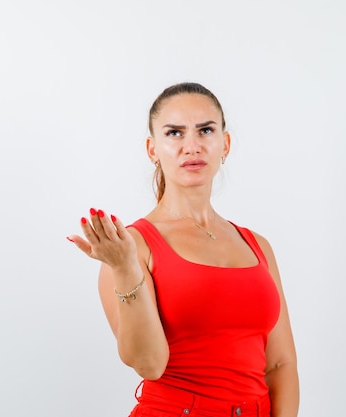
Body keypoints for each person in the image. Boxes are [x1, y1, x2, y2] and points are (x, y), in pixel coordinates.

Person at [68, 82, 299, 417]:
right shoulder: (132, 247)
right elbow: (149, 364)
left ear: (225, 143)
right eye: (174, 133)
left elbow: (280, 363)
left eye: (205, 130)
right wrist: (124, 268)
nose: (192, 146)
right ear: (152, 149)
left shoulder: (257, 245)